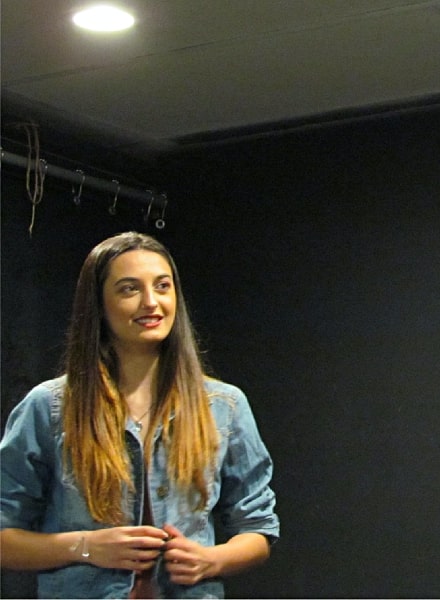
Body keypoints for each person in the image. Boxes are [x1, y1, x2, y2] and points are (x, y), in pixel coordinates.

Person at [0, 232, 280, 598]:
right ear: (99, 304)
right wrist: (86, 545)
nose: (151, 302)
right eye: (129, 289)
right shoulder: (50, 407)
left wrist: (212, 560)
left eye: (162, 286)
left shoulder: (224, 405)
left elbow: (258, 528)